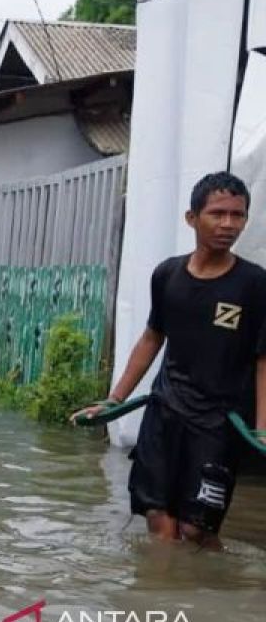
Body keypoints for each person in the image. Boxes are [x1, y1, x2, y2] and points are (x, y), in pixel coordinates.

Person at [72, 172, 266, 548]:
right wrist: (115, 400)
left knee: (198, 530)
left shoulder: (254, 284)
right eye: (217, 213)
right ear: (191, 218)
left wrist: (261, 428)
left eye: (237, 215)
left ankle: (208, 594)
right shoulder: (167, 274)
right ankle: (160, 600)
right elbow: (151, 338)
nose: (228, 224)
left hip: (219, 424)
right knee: (159, 519)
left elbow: (263, 360)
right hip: (164, 412)